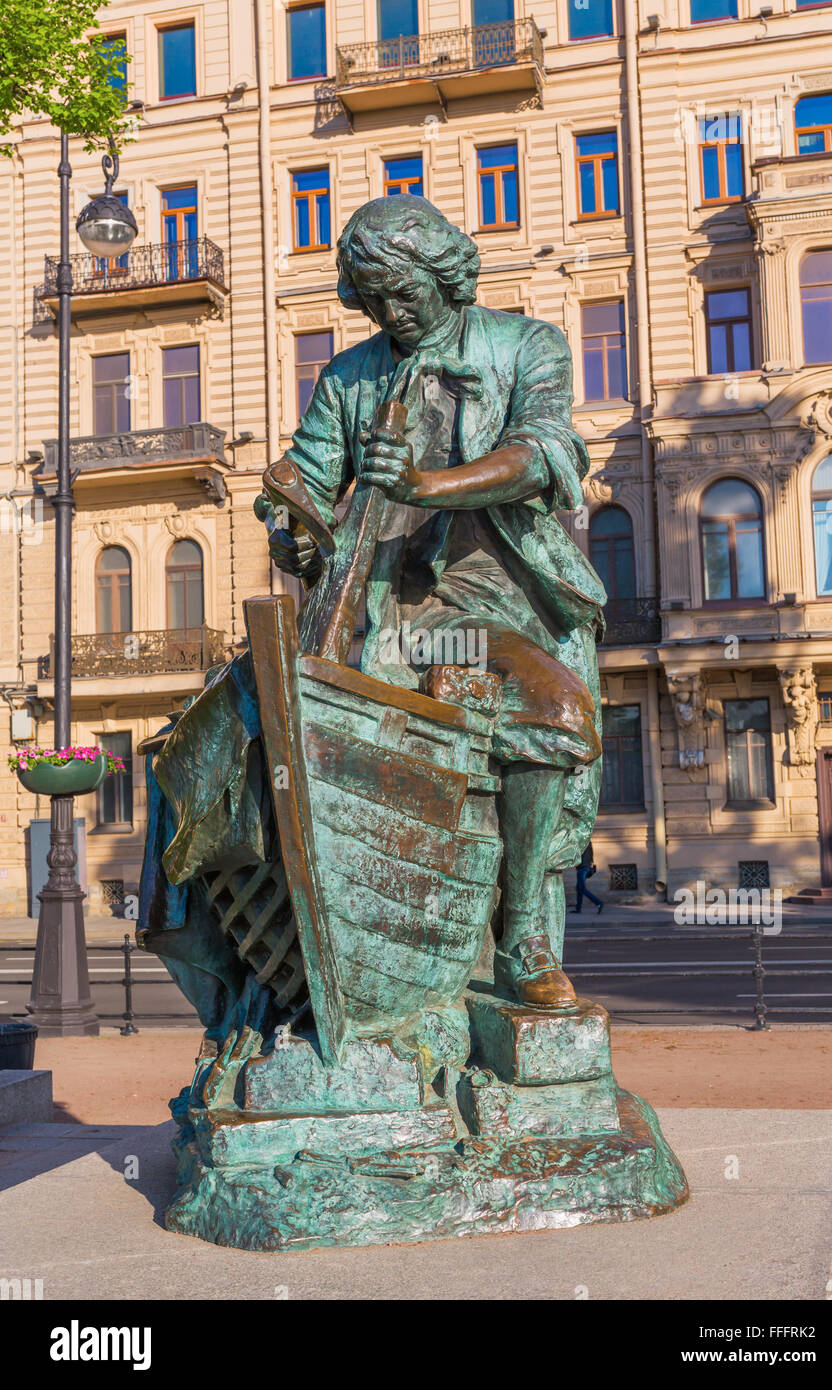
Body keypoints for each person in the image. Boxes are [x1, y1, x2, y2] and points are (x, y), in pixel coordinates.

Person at [260, 195, 607, 1010]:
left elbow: (547, 455)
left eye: (404, 292)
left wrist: (428, 485)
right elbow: (303, 479)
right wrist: (296, 532)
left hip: (501, 610)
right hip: (395, 621)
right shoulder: (348, 376)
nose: (390, 312)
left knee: (550, 708)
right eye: (373, 298)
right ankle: (292, 970)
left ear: (447, 276)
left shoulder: (527, 347)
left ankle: (521, 935)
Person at [575, 840, 603, 915]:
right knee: (579, 888)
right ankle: (578, 908)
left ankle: (599, 903)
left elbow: (578, 856)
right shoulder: (588, 843)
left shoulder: (582, 843)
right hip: (585, 868)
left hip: (582, 869)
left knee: (582, 889)